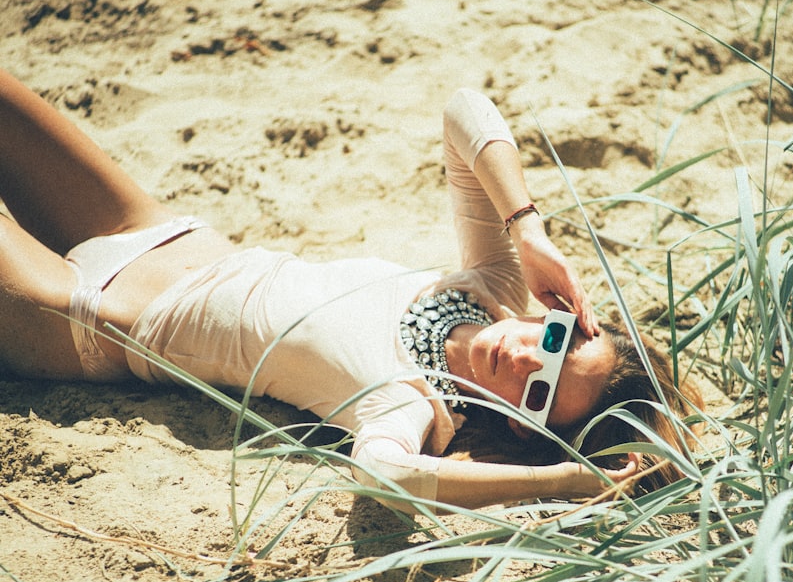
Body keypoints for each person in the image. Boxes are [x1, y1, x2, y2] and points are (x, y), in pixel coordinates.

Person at [0, 68, 702, 512]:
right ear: (569, 315)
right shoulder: (492, 284)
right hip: (152, 228)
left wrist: (566, 483)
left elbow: (383, 476)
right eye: (556, 340)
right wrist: (527, 228)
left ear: (525, 428)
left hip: (81, 318)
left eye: (540, 391)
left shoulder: (411, 404)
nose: (524, 359)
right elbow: (464, 110)